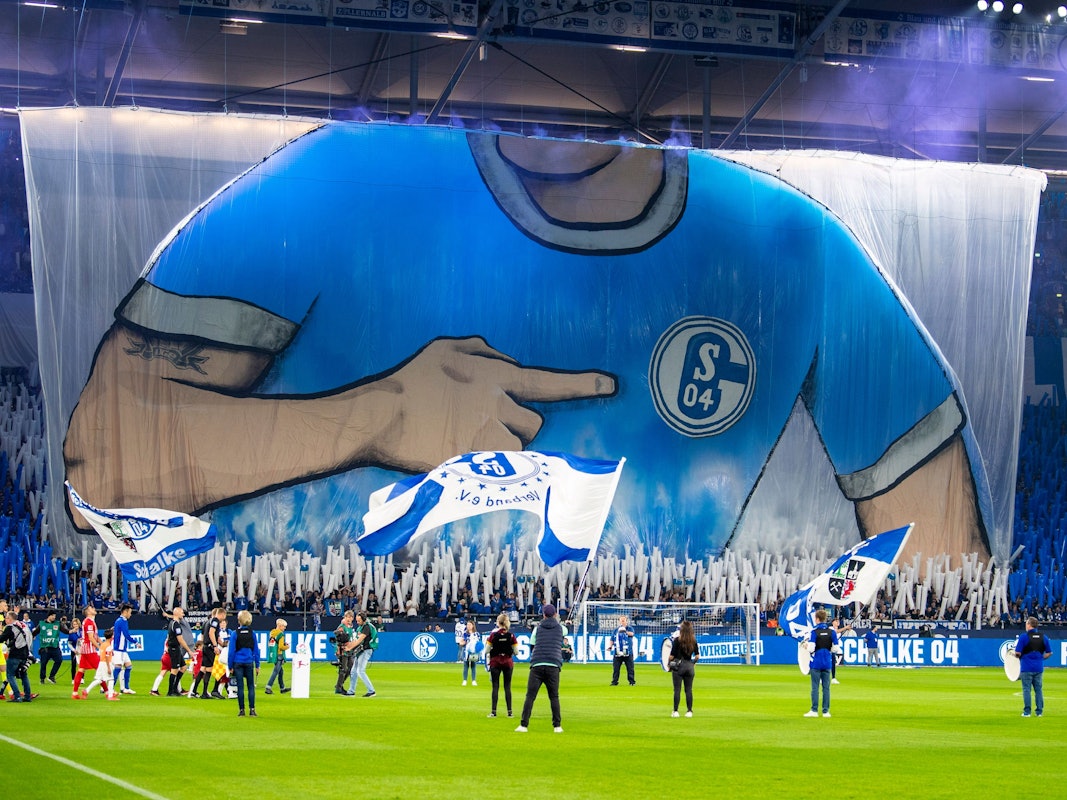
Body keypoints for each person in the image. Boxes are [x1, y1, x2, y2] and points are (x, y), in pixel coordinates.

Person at [63, 126, 989, 571]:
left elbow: (943, 558)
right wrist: (372, 417)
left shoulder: (793, 245)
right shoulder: (335, 182)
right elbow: (100, 459)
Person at [516, 603, 566, 734]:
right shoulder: (561, 628)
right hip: (553, 665)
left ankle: (523, 725)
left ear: (543, 615)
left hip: (537, 664)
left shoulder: (537, 628)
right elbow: (565, 631)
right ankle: (557, 726)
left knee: (530, 696)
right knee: (554, 697)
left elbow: (532, 644)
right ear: (555, 614)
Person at [1013, 616, 1052, 717]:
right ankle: (1039, 712)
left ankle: (1027, 712)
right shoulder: (1044, 637)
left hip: (1026, 668)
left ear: (1029, 625)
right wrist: (1040, 658)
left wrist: (1014, 656)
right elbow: (1049, 652)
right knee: (1038, 690)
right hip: (1039, 668)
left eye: (1026, 623)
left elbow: (1018, 653)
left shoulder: (1023, 637)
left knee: (1026, 690)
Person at [804, 609, 839, 718]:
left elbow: (811, 648)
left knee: (815, 687)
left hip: (816, 663)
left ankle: (814, 710)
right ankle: (826, 711)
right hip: (827, 663)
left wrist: (806, 646)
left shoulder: (814, 632)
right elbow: (836, 649)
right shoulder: (832, 632)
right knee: (826, 688)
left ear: (817, 619)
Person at [228, 609, 260, 717]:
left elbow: (231, 651)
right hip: (249, 662)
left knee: (240, 687)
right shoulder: (253, 634)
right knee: (251, 686)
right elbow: (256, 650)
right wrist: (258, 665)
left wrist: (230, 665)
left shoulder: (234, 634)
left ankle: (241, 710)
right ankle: (252, 709)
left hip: (238, 662)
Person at [486, 613, 518, 718]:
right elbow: (516, 652)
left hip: (495, 662)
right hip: (508, 662)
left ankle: (493, 711)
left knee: (495, 686)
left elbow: (486, 650)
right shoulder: (511, 635)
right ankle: (510, 712)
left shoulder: (493, 635)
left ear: (498, 623)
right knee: (507, 687)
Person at [1, 610, 34, 702]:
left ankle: (17, 696)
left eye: (6, 618)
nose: (5, 620)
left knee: (10, 675)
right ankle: (27, 696)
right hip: (25, 654)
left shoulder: (10, 627)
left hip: (15, 654)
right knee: (24, 674)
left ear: (10, 619)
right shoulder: (24, 625)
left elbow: (1, 639)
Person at [192, 607, 225, 699]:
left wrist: (221, 644)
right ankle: (206, 692)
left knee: (203, 669)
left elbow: (203, 635)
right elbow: (211, 633)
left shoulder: (207, 622)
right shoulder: (215, 621)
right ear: (221, 614)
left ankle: (194, 690)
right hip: (210, 647)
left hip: (206, 647)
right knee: (210, 669)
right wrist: (215, 646)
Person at [669, 619, 699, 717]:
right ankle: (689, 711)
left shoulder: (677, 640)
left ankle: (676, 711)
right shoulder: (693, 640)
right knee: (688, 690)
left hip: (678, 666)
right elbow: (697, 656)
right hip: (689, 666)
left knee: (677, 689)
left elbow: (672, 655)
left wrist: (668, 663)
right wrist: (693, 663)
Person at [82, 627, 120, 701]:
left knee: (98, 679)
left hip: (101, 663)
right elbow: (106, 657)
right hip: (106, 664)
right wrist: (109, 667)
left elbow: (101, 655)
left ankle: (86, 691)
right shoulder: (108, 646)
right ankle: (110, 695)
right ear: (112, 636)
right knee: (111, 679)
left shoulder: (103, 644)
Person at [165, 607, 196, 697]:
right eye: (182, 612)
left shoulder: (173, 623)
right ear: (177, 613)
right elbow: (180, 639)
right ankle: (170, 691)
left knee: (183, 667)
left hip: (176, 648)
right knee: (174, 670)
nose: (183, 614)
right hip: (174, 648)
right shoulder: (176, 625)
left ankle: (175, 688)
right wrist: (189, 650)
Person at [72, 605, 101, 700]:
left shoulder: (91, 621)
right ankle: (108, 691)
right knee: (101, 669)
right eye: (92, 608)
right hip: (89, 649)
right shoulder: (88, 622)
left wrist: (102, 643)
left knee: (81, 669)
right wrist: (99, 647)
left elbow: (95, 636)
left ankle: (75, 693)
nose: (94, 609)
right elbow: (91, 637)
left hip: (85, 649)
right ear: (88, 611)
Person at [348, 611, 377, 698]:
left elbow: (359, 640)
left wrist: (349, 648)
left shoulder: (366, 627)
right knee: (353, 671)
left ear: (363, 620)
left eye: (359, 621)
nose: (357, 622)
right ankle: (351, 691)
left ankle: (371, 690)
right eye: (356, 621)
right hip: (361, 650)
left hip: (366, 650)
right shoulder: (361, 627)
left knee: (360, 671)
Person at [111, 603, 136, 694]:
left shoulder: (119, 620)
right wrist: (135, 642)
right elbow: (126, 635)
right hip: (119, 649)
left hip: (122, 649)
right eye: (130, 612)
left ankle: (126, 688)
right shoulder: (122, 621)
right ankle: (110, 688)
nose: (130, 614)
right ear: (125, 612)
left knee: (128, 667)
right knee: (117, 668)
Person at [35, 610, 63, 684]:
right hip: (45, 647)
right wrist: (31, 636)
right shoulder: (42, 624)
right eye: (53, 616)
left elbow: (65, 631)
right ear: (49, 616)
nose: (54, 617)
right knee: (43, 664)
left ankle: (52, 676)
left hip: (54, 647)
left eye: (55, 616)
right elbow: (35, 632)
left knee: (59, 660)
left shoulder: (57, 624)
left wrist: (72, 631)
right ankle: (42, 679)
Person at [264, 618, 290, 695]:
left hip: (274, 654)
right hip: (279, 655)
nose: (285, 628)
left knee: (281, 672)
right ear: (280, 626)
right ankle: (268, 687)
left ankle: (282, 688)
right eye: (284, 626)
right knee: (276, 671)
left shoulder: (272, 632)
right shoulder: (281, 635)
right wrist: (287, 647)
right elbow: (281, 646)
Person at [608, 614, 636, 686]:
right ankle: (614, 682)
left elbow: (632, 634)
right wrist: (610, 646)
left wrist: (624, 631)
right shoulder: (615, 630)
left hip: (628, 652)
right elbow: (612, 639)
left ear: (626, 621)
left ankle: (632, 682)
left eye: (623, 621)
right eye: (621, 621)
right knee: (616, 668)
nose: (622, 622)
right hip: (617, 652)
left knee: (630, 668)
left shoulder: (629, 628)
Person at [333, 610, 356, 695]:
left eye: (350, 617)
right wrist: (338, 649)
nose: (349, 619)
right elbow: (338, 637)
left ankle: (339, 685)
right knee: (343, 669)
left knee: (350, 669)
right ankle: (338, 688)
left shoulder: (350, 627)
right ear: (344, 617)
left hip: (349, 649)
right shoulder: (342, 627)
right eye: (347, 617)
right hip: (343, 650)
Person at [461, 619, 481, 687]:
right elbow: (461, 642)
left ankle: (473, 680)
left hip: (474, 652)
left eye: (470, 625)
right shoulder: (465, 634)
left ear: (473, 626)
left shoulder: (476, 634)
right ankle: (464, 680)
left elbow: (479, 643)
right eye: (467, 625)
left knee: (473, 666)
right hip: (466, 651)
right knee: (466, 666)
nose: (468, 626)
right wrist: (465, 642)